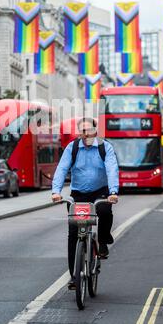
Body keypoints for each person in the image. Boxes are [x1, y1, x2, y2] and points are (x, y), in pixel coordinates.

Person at [52, 117, 119, 290]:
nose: (86, 133)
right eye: (82, 130)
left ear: (95, 131)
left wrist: (113, 192)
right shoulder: (72, 148)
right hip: (78, 194)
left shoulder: (105, 147)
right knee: (73, 233)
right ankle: (74, 277)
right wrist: (56, 192)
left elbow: (112, 169)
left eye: (89, 130)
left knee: (104, 211)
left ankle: (103, 241)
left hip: (101, 191)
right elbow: (61, 169)